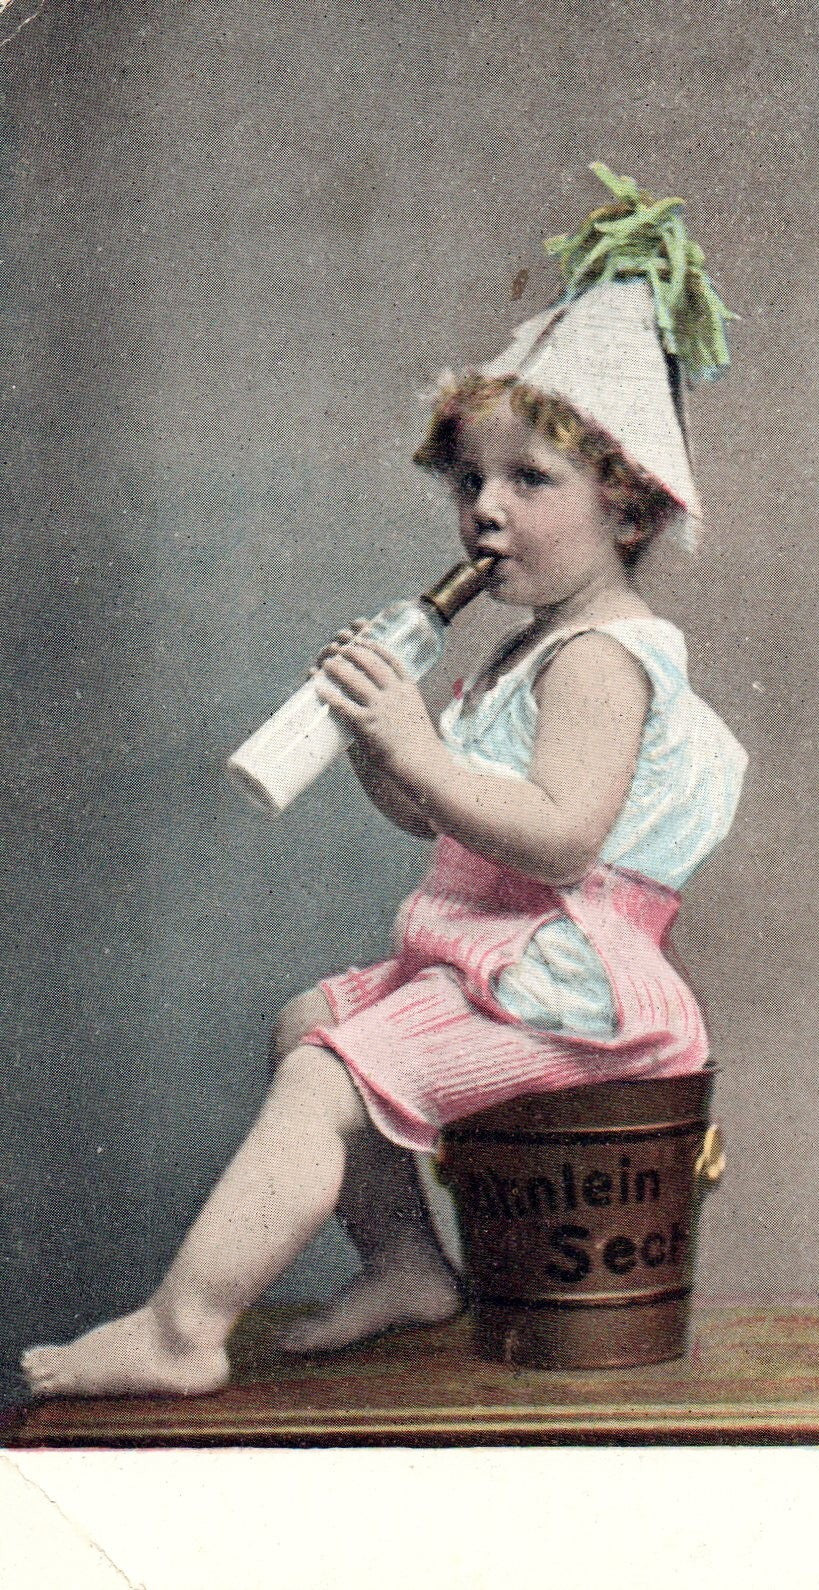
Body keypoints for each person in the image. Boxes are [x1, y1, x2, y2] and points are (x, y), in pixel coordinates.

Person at [22, 166, 746, 1398]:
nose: (483, 513)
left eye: (529, 482)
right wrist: (374, 742)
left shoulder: (601, 662)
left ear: (625, 506)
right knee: (310, 1022)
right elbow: (436, 817)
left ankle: (183, 1330)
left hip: (571, 987)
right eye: (469, 482)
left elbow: (563, 841)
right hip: (499, 954)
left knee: (328, 1076)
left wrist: (418, 745)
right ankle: (410, 1263)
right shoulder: (521, 652)